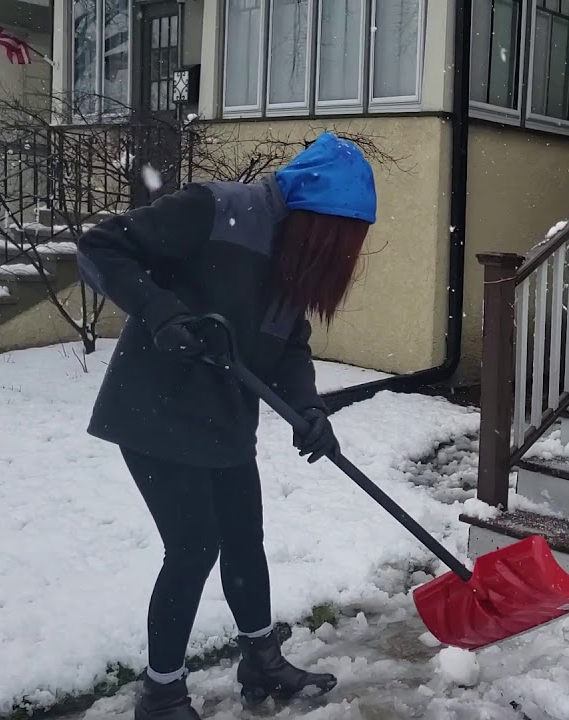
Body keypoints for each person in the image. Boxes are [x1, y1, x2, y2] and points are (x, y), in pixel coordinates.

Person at [76, 133, 377, 720]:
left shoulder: (293, 255)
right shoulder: (214, 210)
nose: (343, 256)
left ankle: (261, 660)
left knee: (244, 538)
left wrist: (309, 409)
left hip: (227, 418)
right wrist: (161, 311)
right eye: (342, 240)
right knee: (193, 548)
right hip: (156, 411)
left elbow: (288, 341)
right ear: (315, 219)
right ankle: (161, 694)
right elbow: (101, 247)